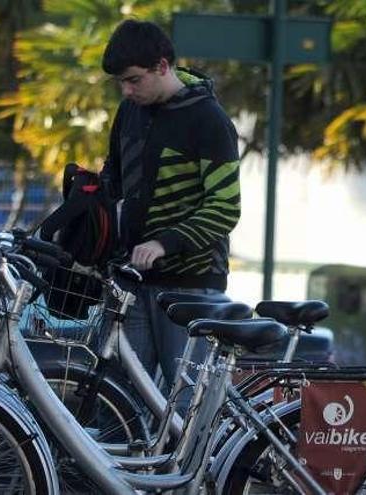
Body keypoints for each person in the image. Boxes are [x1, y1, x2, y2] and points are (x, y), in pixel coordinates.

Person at [99, 19, 241, 406]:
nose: (127, 91)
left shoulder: (209, 120)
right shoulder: (130, 111)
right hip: (132, 277)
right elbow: (113, 176)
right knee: (116, 399)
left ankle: (200, 469)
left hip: (191, 284)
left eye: (133, 80)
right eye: (121, 83)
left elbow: (225, 207)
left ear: (163, 66)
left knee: (183, 406)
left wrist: (164, 243)